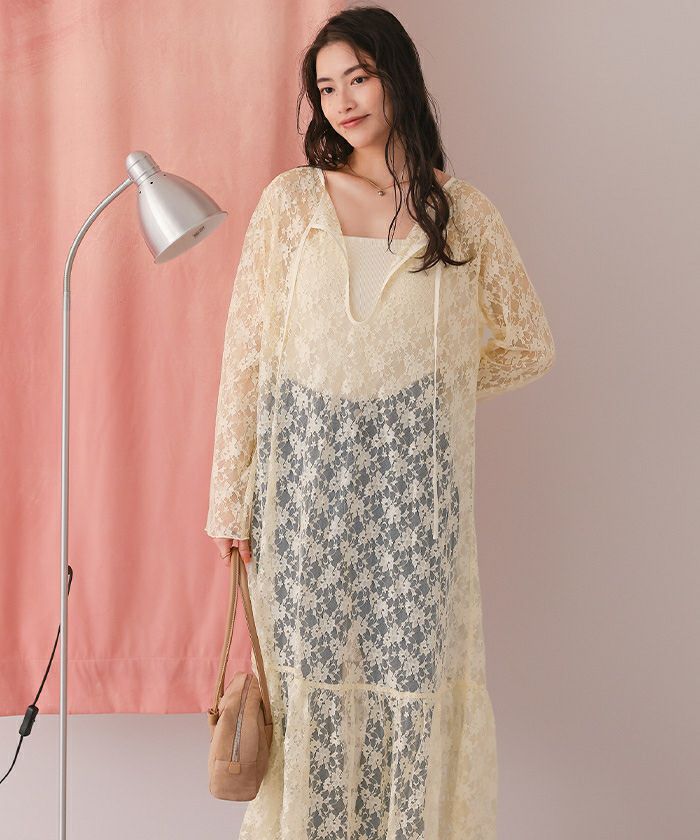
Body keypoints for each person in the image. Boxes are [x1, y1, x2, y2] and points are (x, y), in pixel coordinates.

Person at [205, 6, 555, 839]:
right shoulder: (291, 203)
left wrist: (419, 401)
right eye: (326, 89)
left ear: (397, 76)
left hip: (414, 502)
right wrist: (229, 498)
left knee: (410, 684)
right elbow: (247, 355)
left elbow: (528, 345)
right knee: (306, 689)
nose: (343, 102)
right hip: (303, 493)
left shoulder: (462, 214)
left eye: (357, 78)